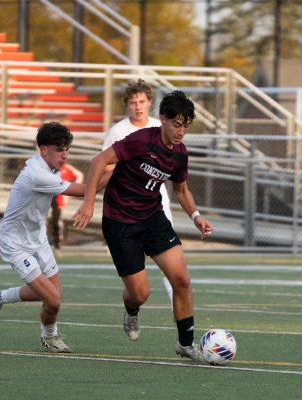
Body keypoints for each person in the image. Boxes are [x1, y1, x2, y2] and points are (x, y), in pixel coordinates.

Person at [72, 90, 213, 361]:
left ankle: (185, 344)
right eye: (176, 124)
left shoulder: (180, 154)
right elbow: (99, 161)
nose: (181, 131)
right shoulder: (140, 141)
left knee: (181, 279)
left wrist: (196, 216)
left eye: (186, 125)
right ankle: (132, 309)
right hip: (120, 222)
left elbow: (181, 190)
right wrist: (88, 203)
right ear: (162, 119)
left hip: (152, 219)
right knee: (141, 293)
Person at [0, 121, 106, 354]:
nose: (65, 155)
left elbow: (16, 203)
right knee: (53, 300)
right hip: (17, 245)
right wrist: (113, 171)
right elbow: (84, 190)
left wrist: (2, 229)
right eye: (59, 149)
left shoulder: (43, 169)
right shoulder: (37, 175)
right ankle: (49, 337)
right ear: (43, 150)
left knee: (54, 294)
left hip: (36, 237)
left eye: (67, 149)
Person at [102, 79, 175, 306]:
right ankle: (132, 308)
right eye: (133, 102)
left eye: (141, 101)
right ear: (127, 105)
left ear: (150, 102)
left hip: (158, 206)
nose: (137, 106)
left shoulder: (159, 127)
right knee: (138, 286)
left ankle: (178, 312)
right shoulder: (118, 131)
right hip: (127, 211)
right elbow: (104, 166)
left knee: (171, 266)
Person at [48, 162, 84, 255]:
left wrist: (72, 191)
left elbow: (79, 175)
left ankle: (57, 245)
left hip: (58, 198)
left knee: (56, 221)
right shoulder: (46, 166)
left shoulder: (66, 168)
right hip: (45, 196)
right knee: (42, 220)